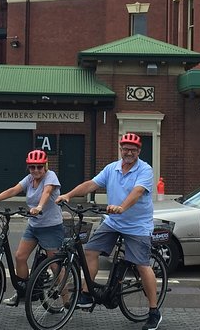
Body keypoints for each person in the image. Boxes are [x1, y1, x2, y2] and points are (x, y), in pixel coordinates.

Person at [55, 132, 161, 330]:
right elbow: (91, 184)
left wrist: (121, 207)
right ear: (120, 149)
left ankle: (154, 311)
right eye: (125, 148)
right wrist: (68, 195)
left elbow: (137, 192)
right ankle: (86, 294)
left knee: (141, 265)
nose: (128, 152)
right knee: (90, 251)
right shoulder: (112, 168)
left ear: (139, 151)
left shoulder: (144, 170)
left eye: (133, 149)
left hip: (137, 225)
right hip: (114, 222)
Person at [0, 149, 63, 306]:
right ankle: (23, 291)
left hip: (50, 227)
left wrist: (39, 206)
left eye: (39, 167)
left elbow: (47, 192)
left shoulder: (51, 176)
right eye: (32, 167)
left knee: (55, 265)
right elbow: (14, 190)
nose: (35, 170)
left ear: (45, 166)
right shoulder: (29, 179)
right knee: (20, 256)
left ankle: (67, 301)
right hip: (34, 225)